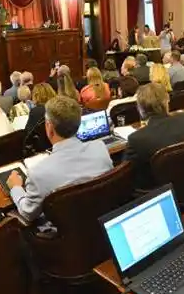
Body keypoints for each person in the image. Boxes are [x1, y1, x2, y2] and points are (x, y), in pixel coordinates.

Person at [7, 96, 114, 224]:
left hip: (65, 231)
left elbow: (28, 213)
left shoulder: (38, 174)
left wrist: (16, 188)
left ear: (49, 127)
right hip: (102, 221)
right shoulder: (100, 149)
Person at [124, 84, 184, 190]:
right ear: (167, 102)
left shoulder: (136, 139)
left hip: (158, 192)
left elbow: (125, 176)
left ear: (140, 108)